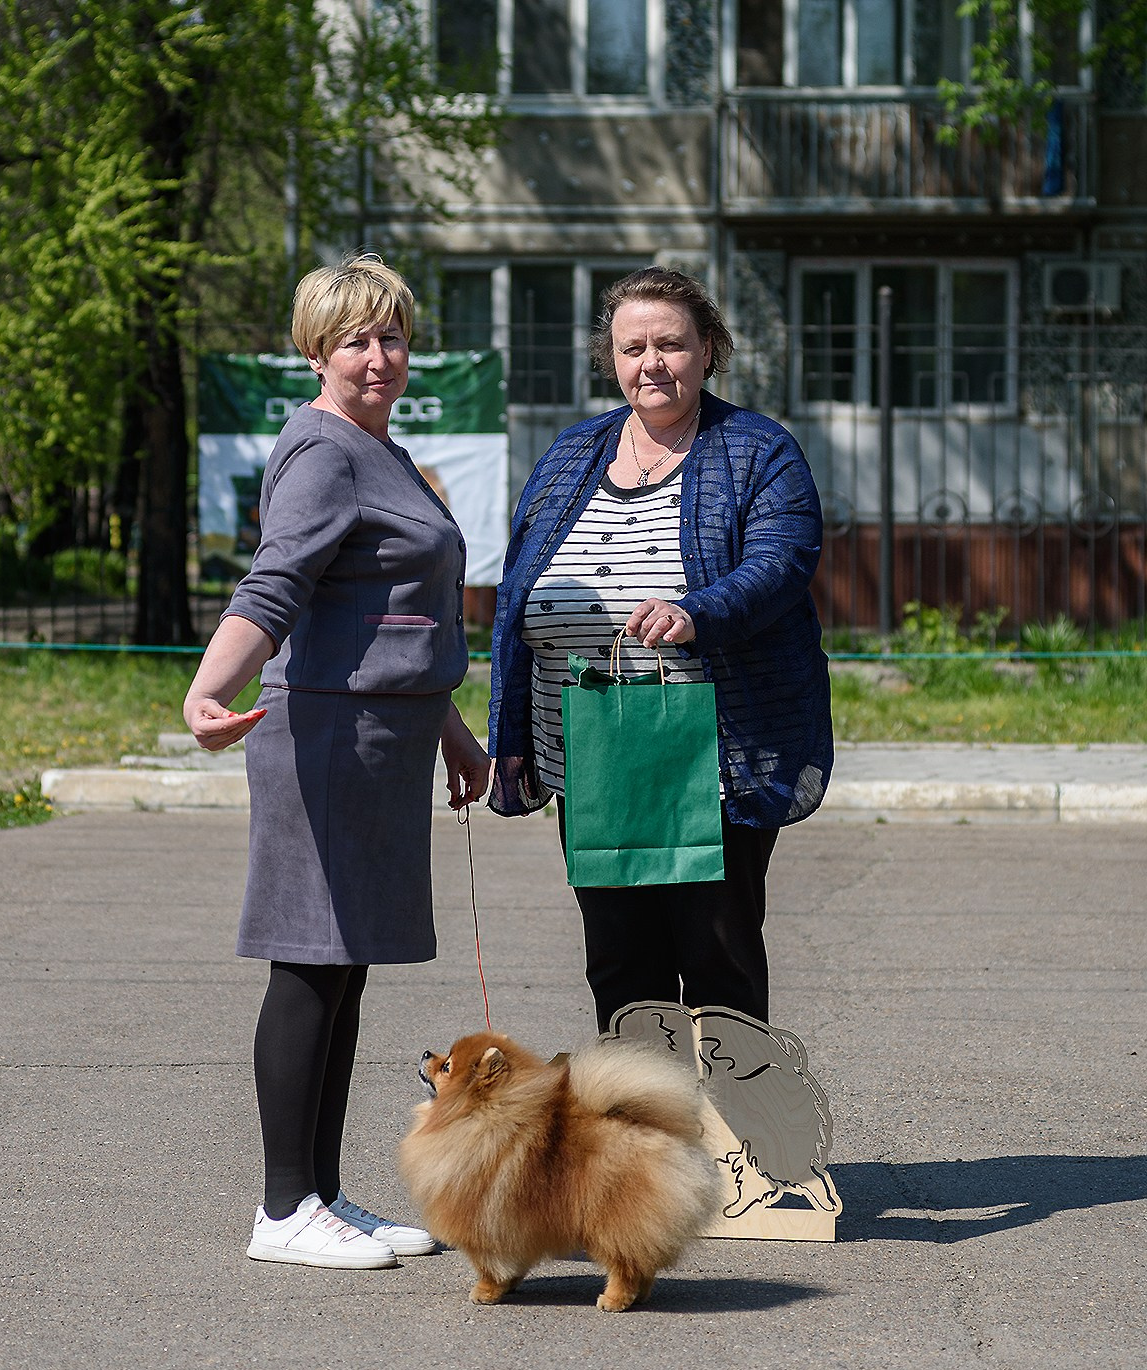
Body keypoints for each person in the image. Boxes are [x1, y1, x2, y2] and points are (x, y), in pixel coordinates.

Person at [184, 256, 490, 1270]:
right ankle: (280, 1208)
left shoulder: (382, 451)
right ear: (314, 352)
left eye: (391, 336)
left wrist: (447, 729)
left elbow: (385, 614)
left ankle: (319, 1193)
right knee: (310, 964)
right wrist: (207, 687)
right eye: (353, 339)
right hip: (323, 738)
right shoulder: (321, 450)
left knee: (343, 968)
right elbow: (273, 585)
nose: (376, 356)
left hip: (382, 738)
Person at [488, 267, 832, 1033]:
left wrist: (695, 611)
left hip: (712, 761)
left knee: (718, 959)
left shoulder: (756, 450)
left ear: (708, 350)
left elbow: (783, 561)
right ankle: (644, 1147)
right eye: (633, 346)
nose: (652, 363)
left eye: (671, 344)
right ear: (610, 358)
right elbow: (520, 585)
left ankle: (736, 1143)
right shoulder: (571, 453)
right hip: (591, 751)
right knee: (618, 964)